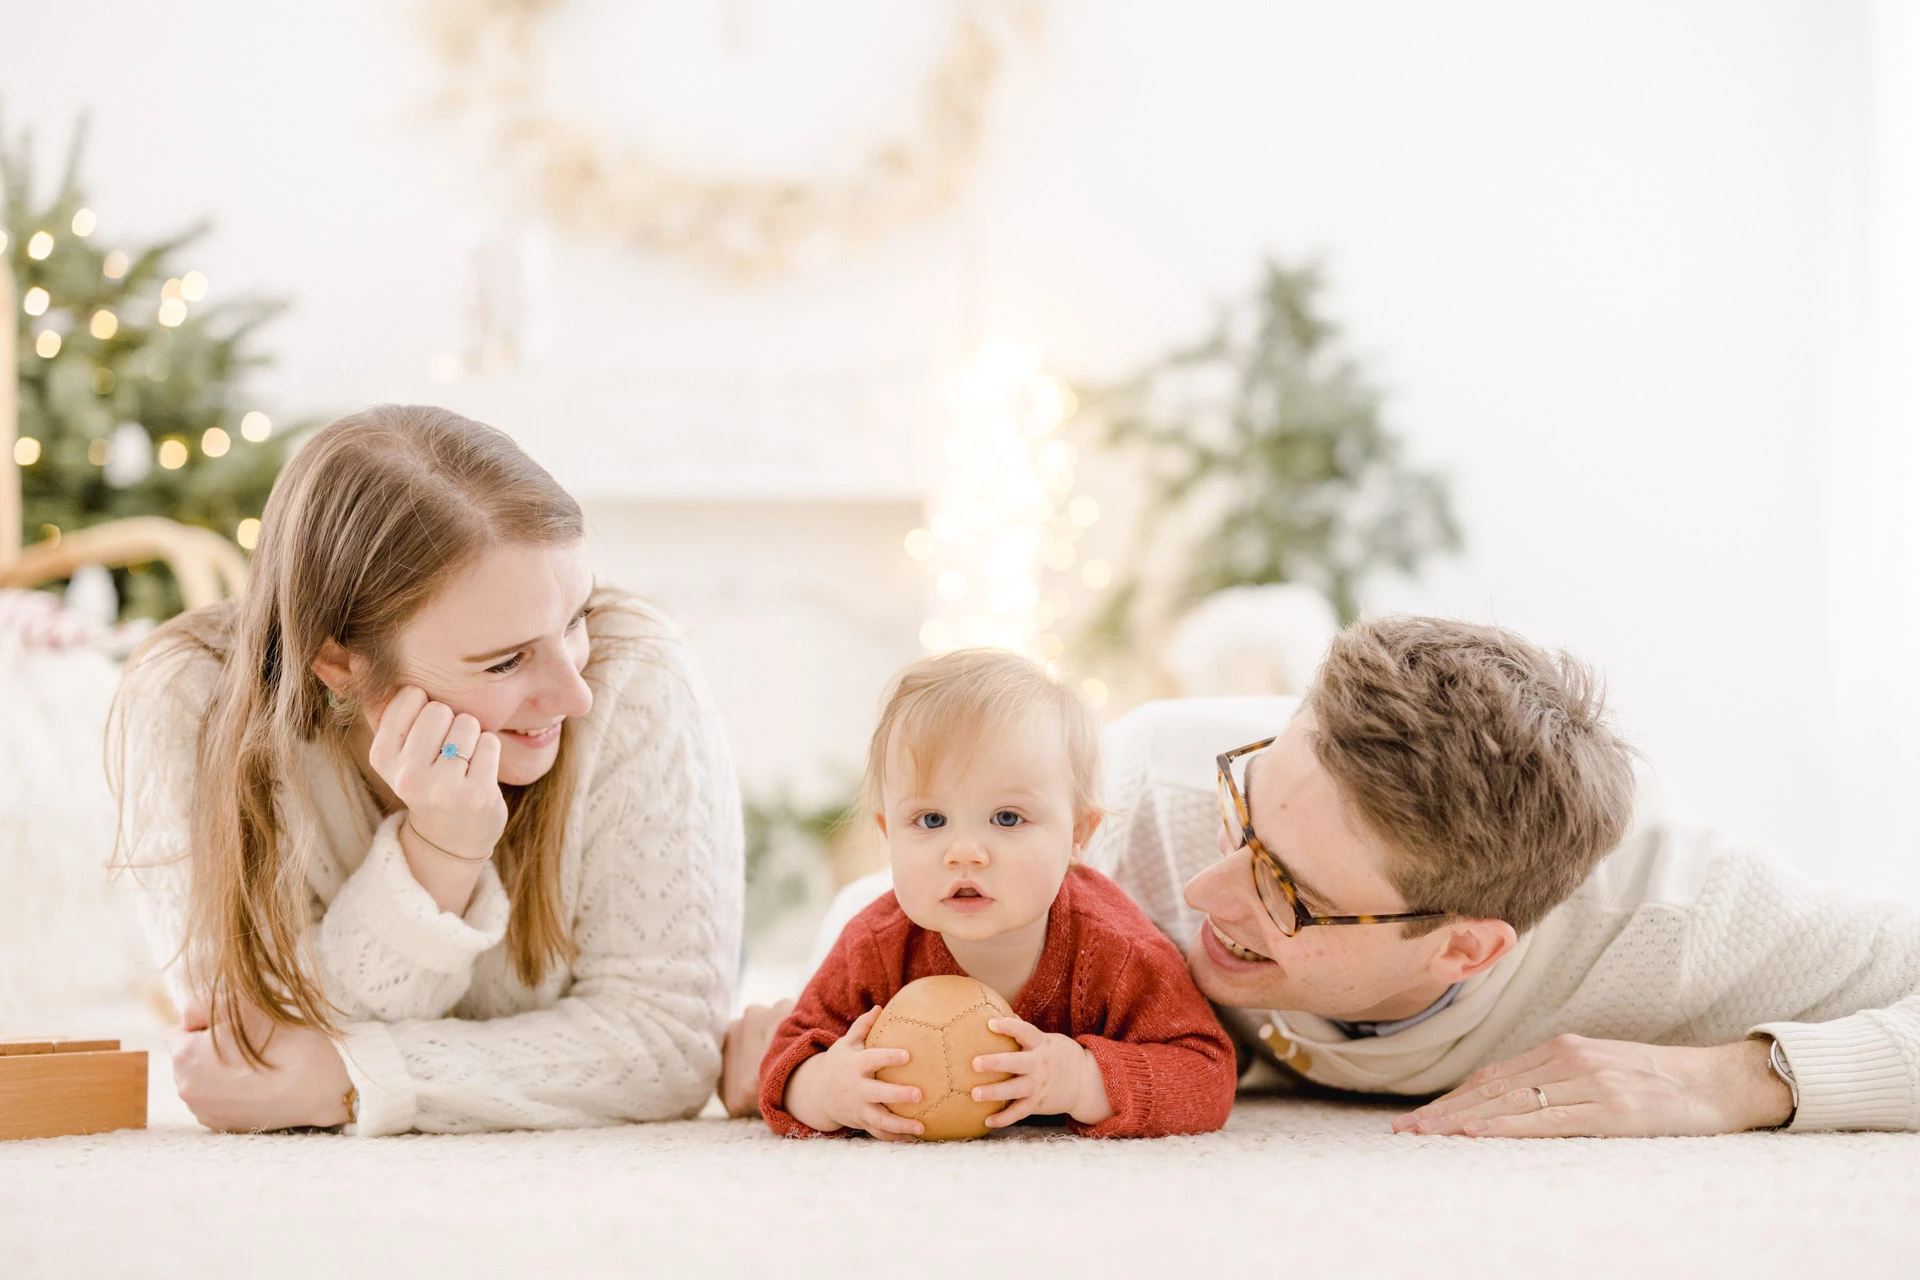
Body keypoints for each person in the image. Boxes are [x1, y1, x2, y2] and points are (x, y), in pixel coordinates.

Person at [736, 616, 1920, 1136]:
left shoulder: (1678, 918)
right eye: (1245, 802)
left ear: (1465, 946)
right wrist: (799, 1059)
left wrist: (1735, 1080)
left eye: (1285, 888)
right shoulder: (1138, 792)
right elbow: (889, 929)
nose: (1202, 888)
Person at [111, 404, 743, 1136]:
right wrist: (438, 856)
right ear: (339, 661)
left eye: (575, 617)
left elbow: (669, 1044)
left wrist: (358, 1079)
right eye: (505, 661)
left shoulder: (635, 672)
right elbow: (257, 1050)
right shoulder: (187, 704)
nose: (576, 696)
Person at [759, 649, 1237, 1139]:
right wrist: (825, 1088)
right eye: (931, 820)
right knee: (754, 1057)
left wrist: (1083, 1080)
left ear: (1077, 835)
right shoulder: (873, 945)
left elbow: (1207, 1075)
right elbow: (783, 1059)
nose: (964, 853)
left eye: (1007, 818)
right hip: (845, 927)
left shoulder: (1119, 949)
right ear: (888, 834)